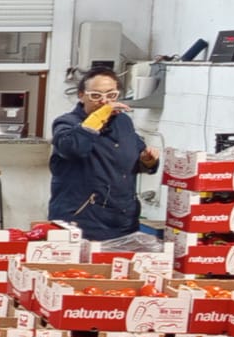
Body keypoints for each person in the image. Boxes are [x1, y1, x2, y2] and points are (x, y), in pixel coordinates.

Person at [49, 68, 158, 239]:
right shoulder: (67, 123)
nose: (105, 101)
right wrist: (100, 115)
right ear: (81, 95)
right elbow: (73, 148)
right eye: (96, 96)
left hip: (123, 221)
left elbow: (134, 158)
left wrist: (147, 161)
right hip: (81, 220)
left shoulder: (123, 122)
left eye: (111, 95)